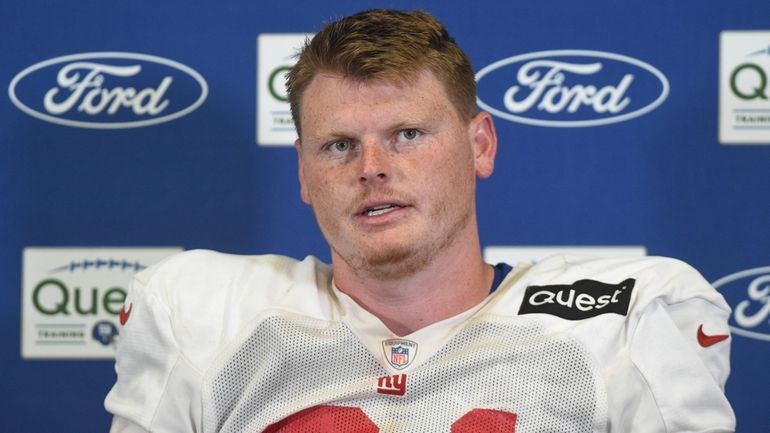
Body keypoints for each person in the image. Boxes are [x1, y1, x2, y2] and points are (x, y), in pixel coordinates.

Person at [105, 9, 735, 433]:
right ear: (303, 172)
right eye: (338, 145)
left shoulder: (625, 318)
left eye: (407, 134)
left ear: (480, 145)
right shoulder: (203, 314)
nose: (372, 168)